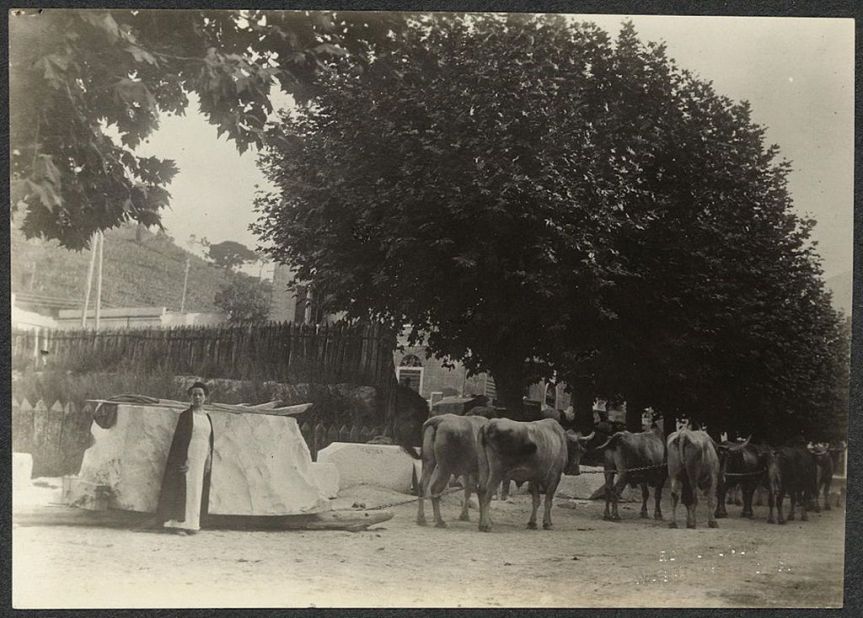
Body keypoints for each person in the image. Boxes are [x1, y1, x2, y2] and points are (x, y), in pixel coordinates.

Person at [156, 381, 215, 535]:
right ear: (190, 397)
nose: (197, 397)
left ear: (205, 397)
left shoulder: (207, 417)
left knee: (197, 490)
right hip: (188, 458)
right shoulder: (186, 416)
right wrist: (183, 460)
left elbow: (208, 440)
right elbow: (179, 441)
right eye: (194, 394)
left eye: (200, 394)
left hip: (201, 458)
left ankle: (192, 525)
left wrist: (208, 460)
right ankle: (177, 524)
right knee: (184, 489)